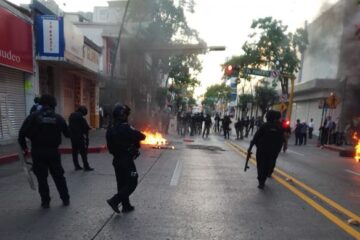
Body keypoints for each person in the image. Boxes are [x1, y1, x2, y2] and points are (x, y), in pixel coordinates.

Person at [18, 94, 70, 208]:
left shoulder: (33, 117)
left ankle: (45, 201)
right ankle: (65, 199)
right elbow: (68, 134)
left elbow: (21, 134)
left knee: (42, 178)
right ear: (53, 104)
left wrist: (24, 148)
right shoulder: (58, 118)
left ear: (41, 103)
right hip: (53, 152)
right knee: (59, 176)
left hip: (38, 152)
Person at [106, 104, 146, 213]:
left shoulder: (110, 129)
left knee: (122, 183)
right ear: (123, 115)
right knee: (133, 181)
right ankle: (115, 200)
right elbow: (142, 136)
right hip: (126, 160)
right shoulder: (126, 127)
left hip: (116, 160)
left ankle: (126, 205)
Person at [248, 110, 284, 189]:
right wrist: (277, 150)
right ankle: (263, 179)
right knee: (267, 165)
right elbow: (281, 140)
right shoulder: (278, 127)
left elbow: (255, 137)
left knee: (261, 166)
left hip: (262, 150)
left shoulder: (264, 126)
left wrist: (250, 148)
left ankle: (261, 181)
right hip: (272, 151)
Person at [69, 106, 94, 171]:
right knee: (83, 152)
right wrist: (89, 128)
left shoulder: (71, 115)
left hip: (73, 137)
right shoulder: (81, 116)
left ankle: (76, 165)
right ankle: (86, 166)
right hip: (80, 137)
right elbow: (85, 126)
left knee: (74, 151)